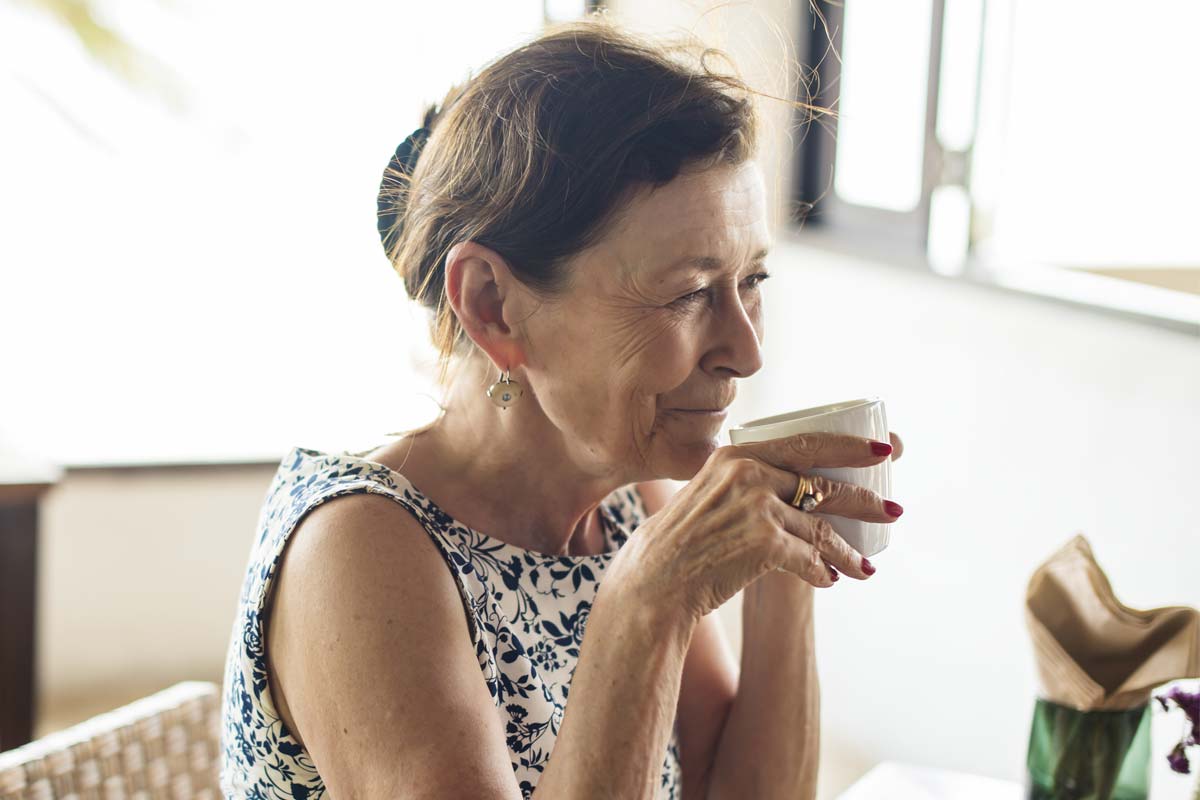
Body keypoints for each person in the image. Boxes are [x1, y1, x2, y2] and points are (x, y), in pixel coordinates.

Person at [218, 16, 905, 800]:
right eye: (687, 293)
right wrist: (646, 602)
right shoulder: (357, 551)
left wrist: (790, 557)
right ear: (492, 307)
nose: (746, 353)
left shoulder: (630, 502)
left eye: (752, 281)